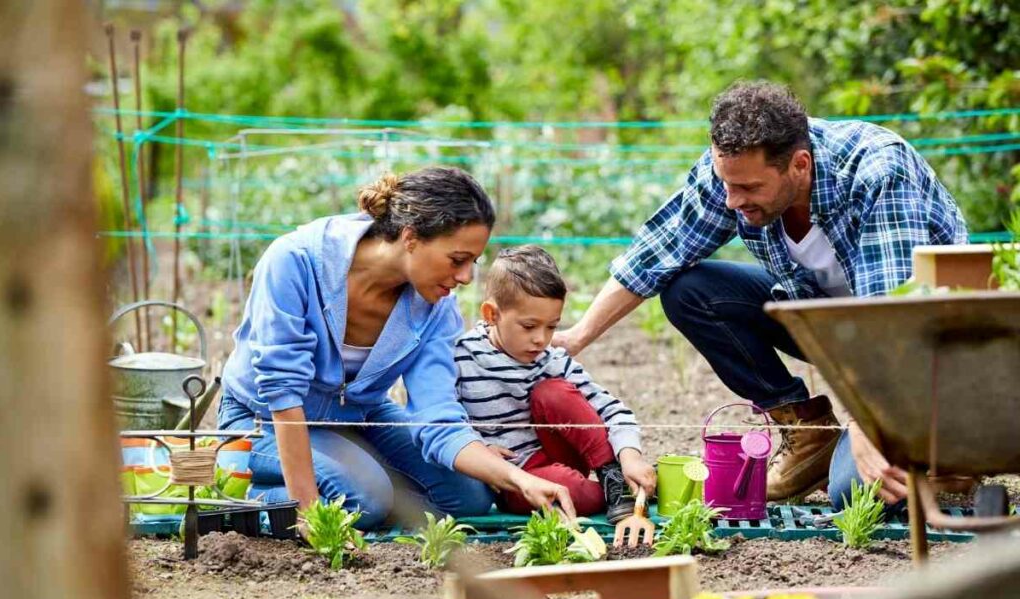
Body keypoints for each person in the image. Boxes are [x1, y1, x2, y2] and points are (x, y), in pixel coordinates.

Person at [553, 81, 968, 511]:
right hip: (833, 327)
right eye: (727, 184)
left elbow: (895, 317)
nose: (732, 200)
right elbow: (658, 252)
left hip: (928, 350)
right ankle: (810, 436)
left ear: (800, 165)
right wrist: (577, 336)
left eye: (749, 188)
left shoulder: (878, 172)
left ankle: (953, 447)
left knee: (854, 491)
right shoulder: (735, 170)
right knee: (690, 291)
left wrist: (865, 424)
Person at [218, 167, 576, 529]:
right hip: (261, 419)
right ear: (410, 237)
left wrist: (517, 478)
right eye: (457, 260)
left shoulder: (436, 307)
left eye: (473, 262)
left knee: (471, 496)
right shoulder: (296, 260)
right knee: (364, 500)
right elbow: (283, 393)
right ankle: (233, 489)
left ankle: (363, 478)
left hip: (359, 417)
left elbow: (437, 413)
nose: (467, 277)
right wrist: (309, 514)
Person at [455, 246, 657, 521]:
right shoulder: (462, 357)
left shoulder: (551, 359)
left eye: (551, 326)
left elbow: (612, 410)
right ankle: (630, 490)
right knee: (571, 491)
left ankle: (614, 477)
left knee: (553, 392)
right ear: (492, 314)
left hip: (561, 453)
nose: (541, 339)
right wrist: (479, 449)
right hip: (516, 477)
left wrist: (630, 456)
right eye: (529, 326)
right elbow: (445, 420)